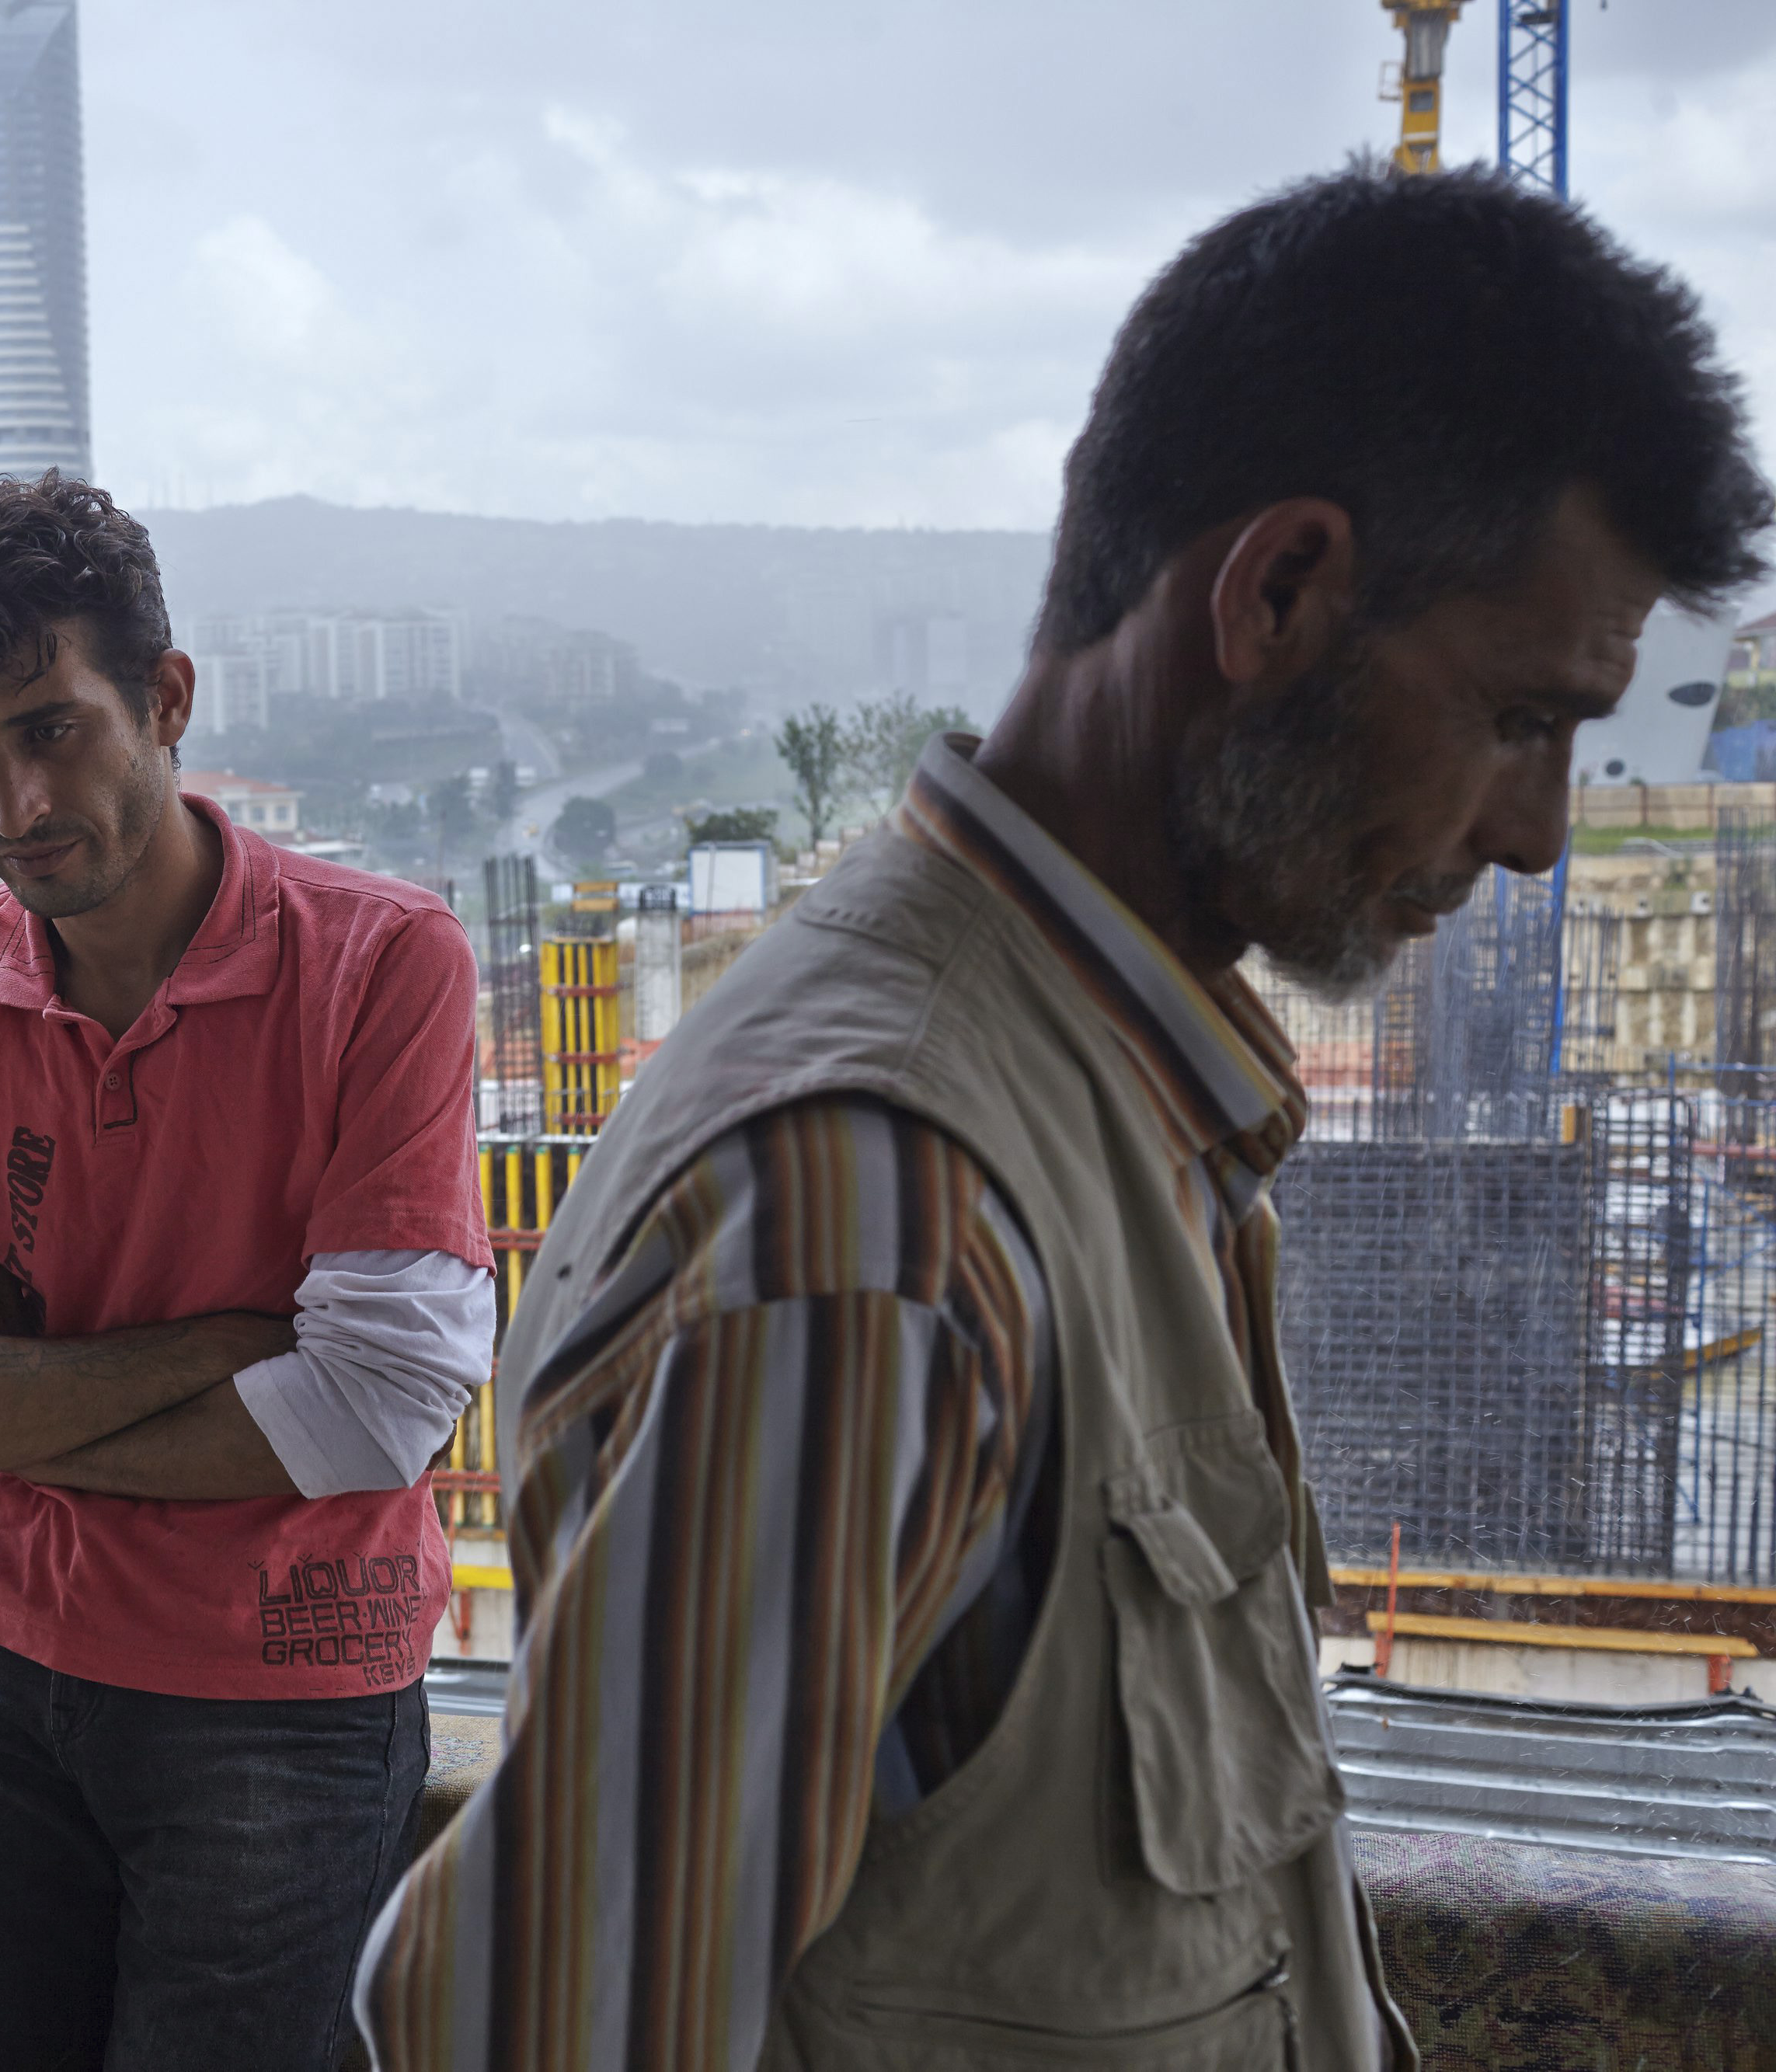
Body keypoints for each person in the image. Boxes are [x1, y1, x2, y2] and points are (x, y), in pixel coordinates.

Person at [360, 165, 1772, 2070]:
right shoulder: (874, 1218)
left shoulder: (1107, 1094)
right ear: (1274, 592)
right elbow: (538, 2031)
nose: (1533, 832)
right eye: (1522, 718)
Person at [0, 473, 497, 2072]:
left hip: (284, 1674)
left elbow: (379, 1407)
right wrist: (227, 1344)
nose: (7, 803)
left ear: (165, 701)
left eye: (50, 728)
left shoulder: (379, 962)